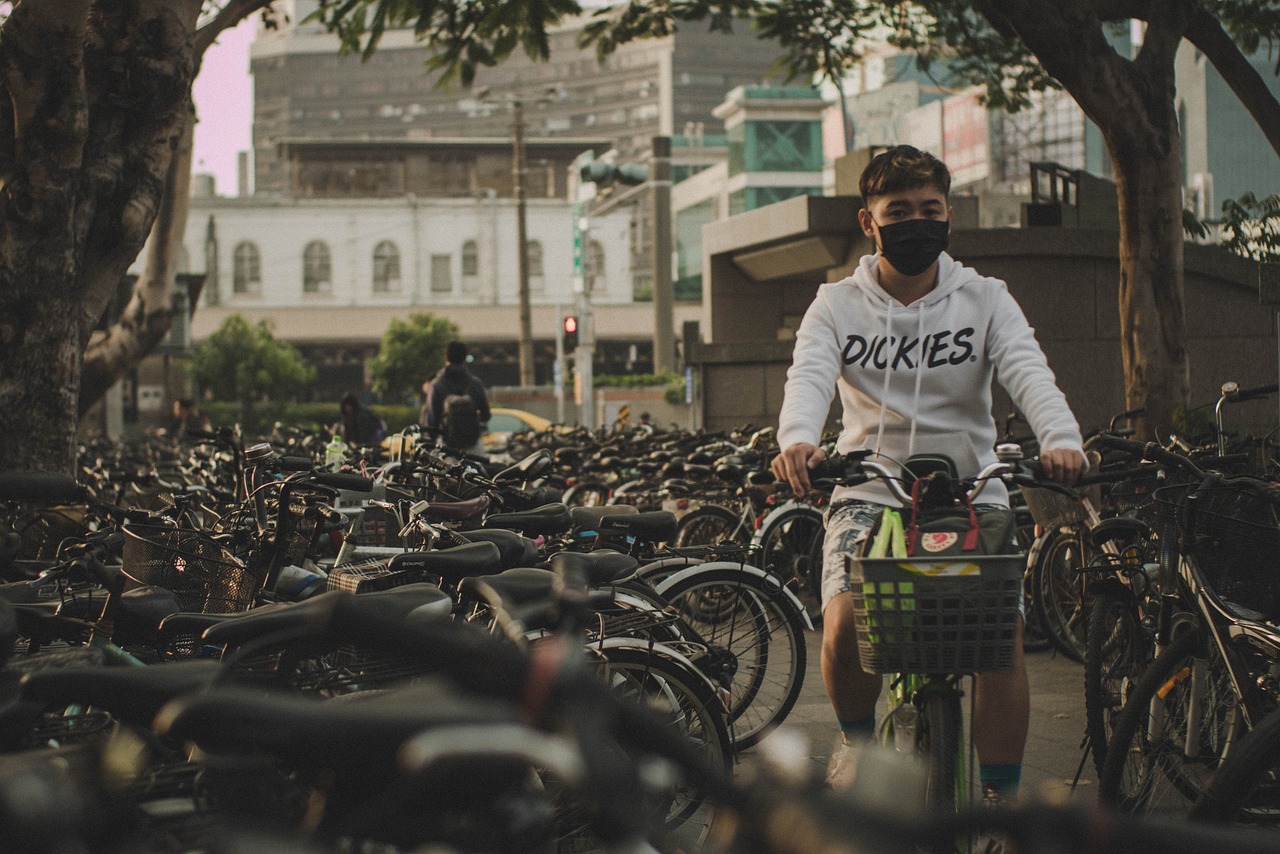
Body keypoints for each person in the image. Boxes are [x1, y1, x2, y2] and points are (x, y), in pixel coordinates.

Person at [769, 146, 1086, 812]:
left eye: (929, 209)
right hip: (869, 488)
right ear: (869, 221)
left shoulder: (986, 298)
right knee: (845, 622)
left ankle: (1001, 802)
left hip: (973, 490)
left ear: (948, 215)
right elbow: (809, 377)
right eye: (898, 211)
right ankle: (857, 742)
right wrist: (797, 440)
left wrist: (1060, 440)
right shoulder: (835, 305)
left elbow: (1029, 371)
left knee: (1002, 639)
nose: (916, 221)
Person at [423, 341, 491, 456]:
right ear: (464, 358)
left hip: (447, 447)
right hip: (473, 445)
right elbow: (486, 415)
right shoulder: (475, 383)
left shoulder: (436, 385)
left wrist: (428, 447)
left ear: (446, 357)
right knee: (478, 468)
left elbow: (431, 420)